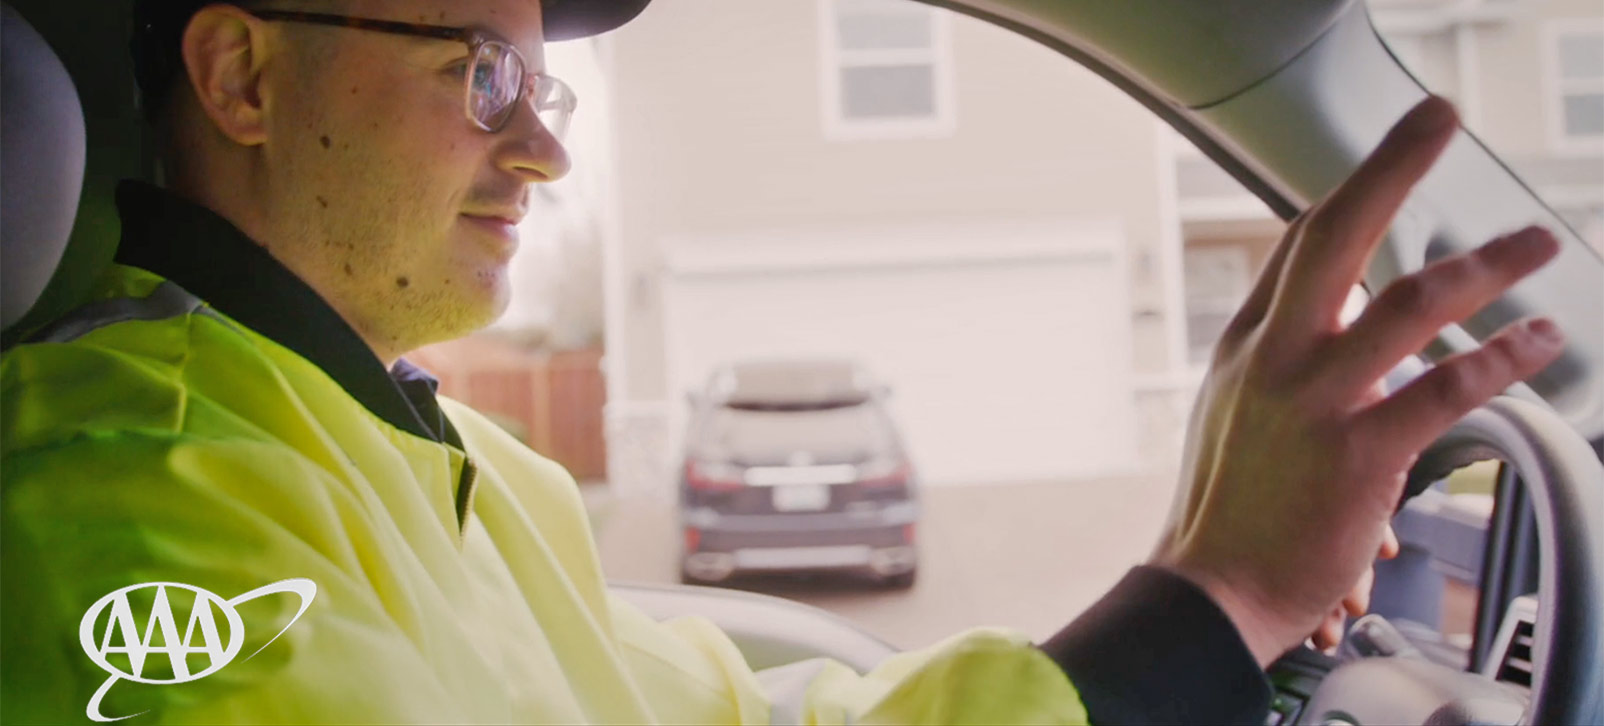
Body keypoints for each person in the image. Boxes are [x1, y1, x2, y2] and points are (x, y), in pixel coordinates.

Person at [0, 0, 1565, 723]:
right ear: (243, 74)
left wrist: (1195, 598)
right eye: (483, 76)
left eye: (547, 88)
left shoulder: (460, 469)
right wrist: (1215, 602)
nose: (542, 147)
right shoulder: (127, 503)